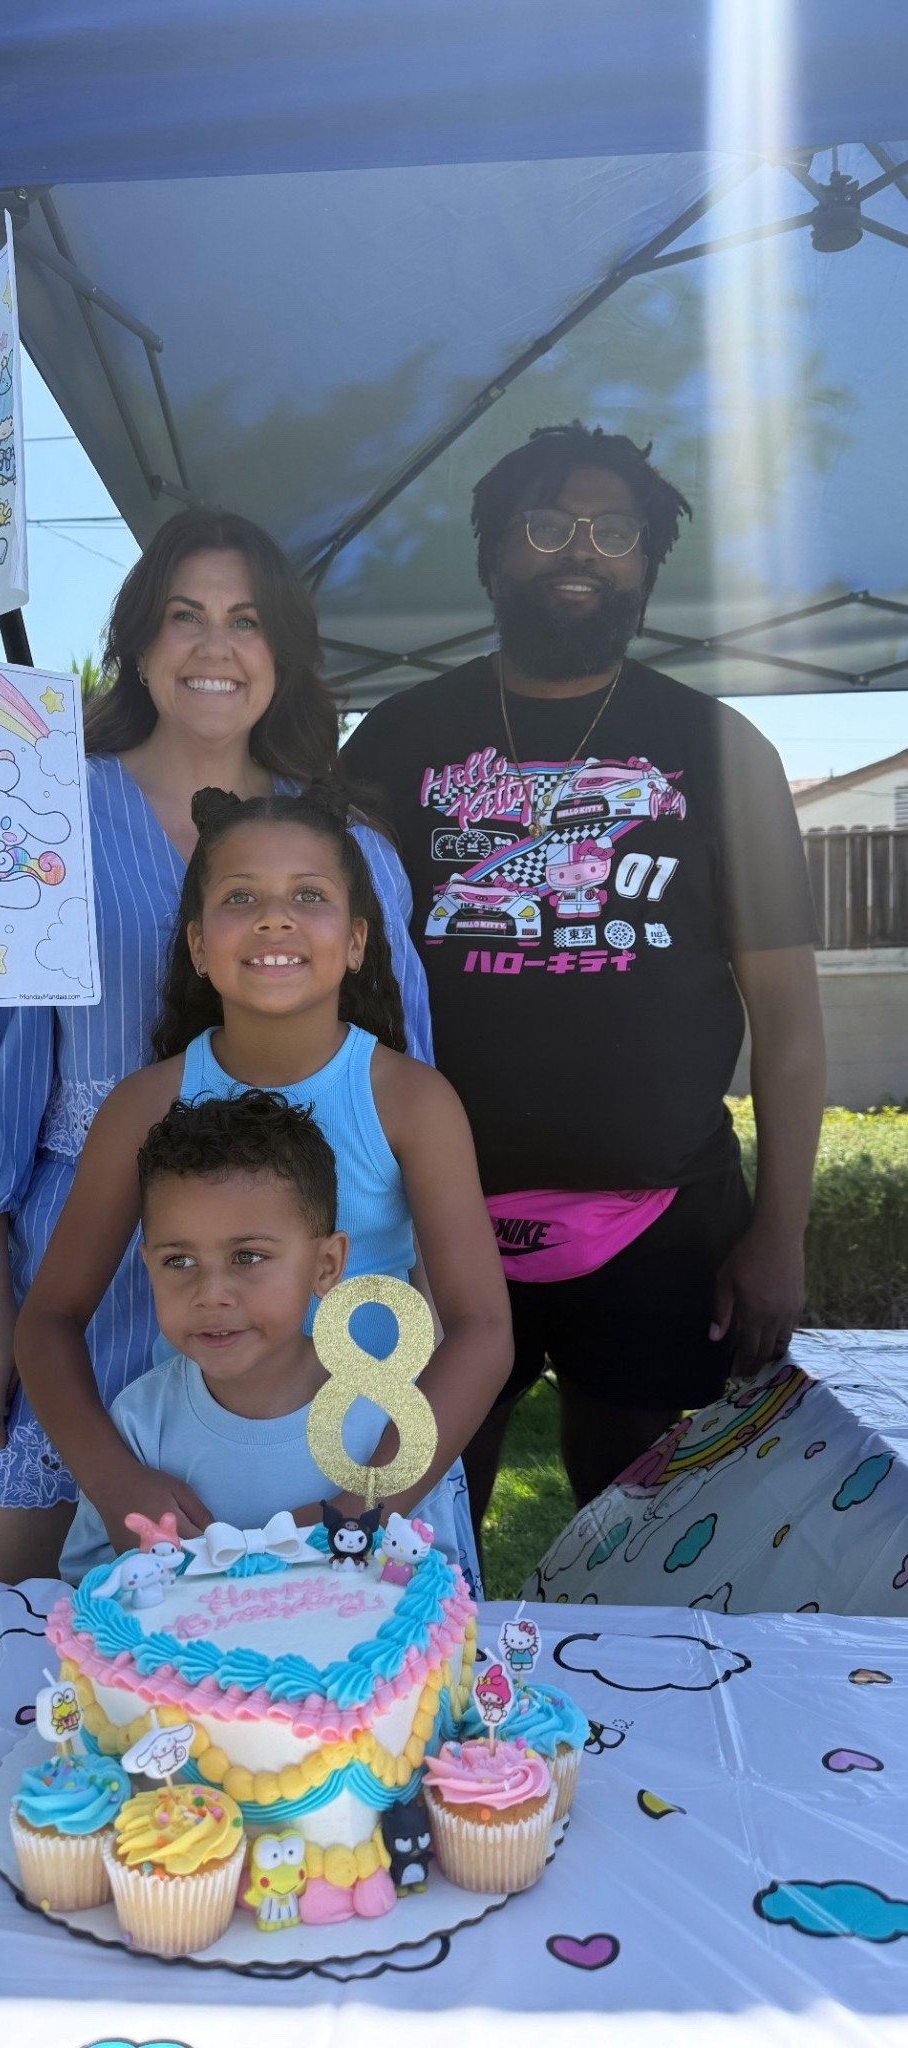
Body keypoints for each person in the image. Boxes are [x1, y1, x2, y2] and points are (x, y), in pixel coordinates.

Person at [0, 510, 433, 1583]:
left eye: (246, 620)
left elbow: (396, 1092)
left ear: (282, 653)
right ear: (138, 642)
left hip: (291, 1309)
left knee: (280, 1648)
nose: (215, 647)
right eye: (185, 616)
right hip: (82, 1283)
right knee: (29, 1631)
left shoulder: (346, 848)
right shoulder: (30, 815)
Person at [340, 422, 825, 1524]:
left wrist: (780, 1230)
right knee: (399, 1531)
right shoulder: (396, 742)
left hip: (666, 1227)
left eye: (616, 531)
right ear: (493, 554)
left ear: (649, 562)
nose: (581, 549)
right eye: (548, 523)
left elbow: (788, 1016)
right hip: (424, 1217)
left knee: (652, 1550)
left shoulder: (721, 748)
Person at [16, 786, 512, 1593]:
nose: (274, 919)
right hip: (188, 1489)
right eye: (240, 896)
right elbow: (48, 1322)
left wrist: (365, 1508)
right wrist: (118, 1486)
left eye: (308, 897)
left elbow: (483, 1328)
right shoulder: (143, 1108)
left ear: (356, 941)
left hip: (379, 1482)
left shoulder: (413, 1104)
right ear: (198, 944)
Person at [60, 1091, 473, 1582]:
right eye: (180, 1261)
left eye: (248, 1257)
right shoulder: (137, 1428)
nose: (211, 1294)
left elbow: (438, 1587)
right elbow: (87, 1589)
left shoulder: (391, 1422)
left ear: (326, 1265)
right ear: (148, 1266)